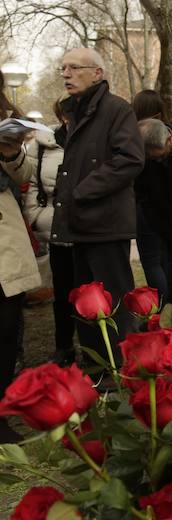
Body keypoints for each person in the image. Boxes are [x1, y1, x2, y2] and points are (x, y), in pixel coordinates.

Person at [52, 48, 145, 367]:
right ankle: (95, 367)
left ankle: (123, 368)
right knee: (85, 304)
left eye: (73, 67)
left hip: (106, 224)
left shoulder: (116, 109)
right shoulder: (76, 112)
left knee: (114, 303)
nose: (65, 73)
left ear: (97, 73)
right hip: (80, 226)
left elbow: (131, 159)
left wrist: (82, 190)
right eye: (62, 68)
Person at [0, 69, 42, 442]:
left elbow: (25, 174)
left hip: (4, 245)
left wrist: (12, 152)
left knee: (5, 331)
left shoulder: (5, 119)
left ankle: (0, 413)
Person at [23, 99, 77, 366]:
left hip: (88, 226)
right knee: (63, 289)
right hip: (56, 226)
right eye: (65, 113)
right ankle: (64, 346)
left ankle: (97, 345)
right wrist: (37, 217)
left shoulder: (94, 138)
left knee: (92, 289)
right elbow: (31, 183)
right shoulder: (44, 144)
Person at [136, 117, 172, 305]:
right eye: (152, 158)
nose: (156, 160)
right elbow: (142, 193)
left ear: (169, 140)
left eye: (159, 156)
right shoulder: (145, 158)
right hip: (167, 233)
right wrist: (159, 225)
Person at [131, 90, 169, 299]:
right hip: (162, 205)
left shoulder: (131, 138)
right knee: (162, 258)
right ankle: (168, 303)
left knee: (151, 261)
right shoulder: (164, 135)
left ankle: (161, 305)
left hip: (143, 207)